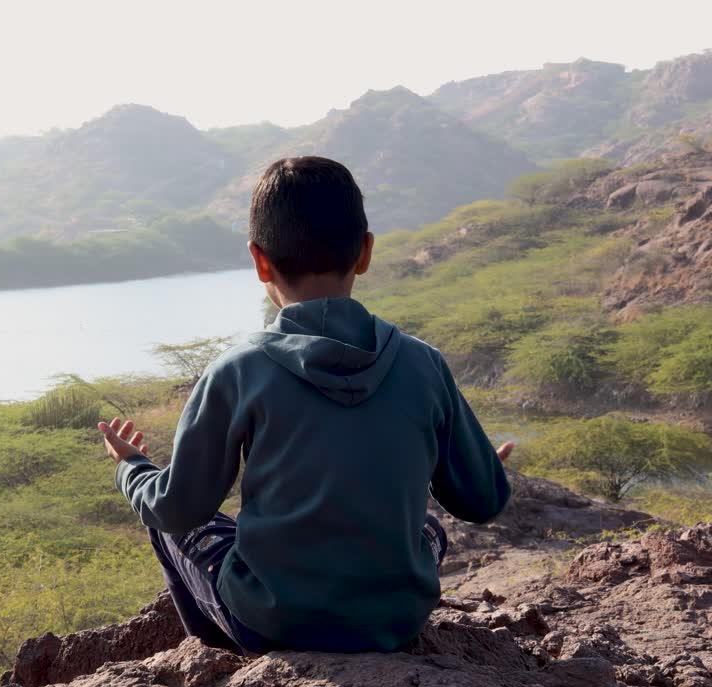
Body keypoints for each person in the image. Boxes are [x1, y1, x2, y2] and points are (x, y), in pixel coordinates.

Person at [97, 156, 514, 655]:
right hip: (394, 622)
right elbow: (482, 500)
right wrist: (481, 467)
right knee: (426, 525)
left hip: (275, 623)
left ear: (259, 260)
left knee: (172, 525)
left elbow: (180, 506)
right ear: (364, 252)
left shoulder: (238, 369)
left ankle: (222, 661)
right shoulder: (423, 363)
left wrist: (132, 467)